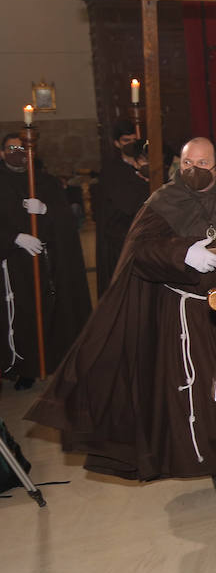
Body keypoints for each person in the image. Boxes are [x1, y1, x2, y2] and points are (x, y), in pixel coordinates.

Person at [26, 137, 216, 499]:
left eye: (203, 164)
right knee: (206, 388)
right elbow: (139, 250)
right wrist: (181, 253)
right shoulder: (163, 201)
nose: (194, 171)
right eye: (187, 164)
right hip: (189, 313)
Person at [0, 134, 92, 390]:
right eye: (11, 148)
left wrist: (46, 211)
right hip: (13, 265)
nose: (17, 152)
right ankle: (24, 368)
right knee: (21, 316)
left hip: (45, 262)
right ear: (1, 152)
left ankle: (49, 361)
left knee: (48, 311)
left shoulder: (46, 182)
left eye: (22, 147)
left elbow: (66, 221)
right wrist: (14, 238)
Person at [95, 135, 151, 295]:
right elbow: (128, 207)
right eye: (143, 161)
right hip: (122, 242)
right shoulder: (119, 176)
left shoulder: (151, 178)